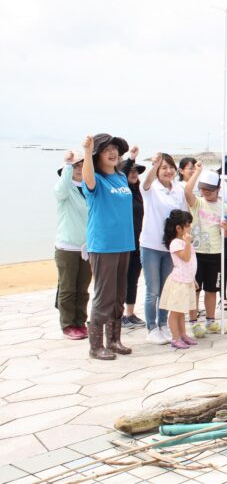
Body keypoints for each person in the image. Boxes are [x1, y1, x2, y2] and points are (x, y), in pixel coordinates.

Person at [80, 133, 134, 360]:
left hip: (125, 244)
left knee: (119, 294)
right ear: (96, 155)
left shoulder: (121, 177)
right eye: (106, 150)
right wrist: (86, 151)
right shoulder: (95, 180)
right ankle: (95, 346)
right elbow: (88, 179)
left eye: (115, 149)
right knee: (104, 296)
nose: (113, 153)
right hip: (103, 246)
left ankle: (114, 340)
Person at [141, 153, 187, 345]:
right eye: (163, 167)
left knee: (167, 289)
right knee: (153, 290)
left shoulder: (178, 189)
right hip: (151, 245)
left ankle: (163, 324)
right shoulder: (151, 189)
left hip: (171, 248)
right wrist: (155, 165)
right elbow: (145, 182)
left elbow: (184, 217)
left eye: (170, 167)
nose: (168, 171)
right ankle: (151, 328)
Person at [54, 149, 91, 340]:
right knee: (68, 288)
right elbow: (59, 191)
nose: (79, 168)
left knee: (83, 289)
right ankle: (67, 324)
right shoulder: (65, 190)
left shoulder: (88, 189)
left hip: (86, 247)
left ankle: (80, 322)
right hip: (67, 247)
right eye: (76, 166)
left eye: (81, 165)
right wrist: (68, 164)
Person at [184, 162, 224, 337]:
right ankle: (193, 322)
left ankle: (210, 320)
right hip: (197, 253)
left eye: (210, 190)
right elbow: (187, 192)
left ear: (218, 189)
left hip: (216, 253)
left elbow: (226, 232)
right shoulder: (198, 202)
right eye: (203, 189)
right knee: (195, 289)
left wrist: (226, 228)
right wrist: (197, 172)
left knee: (212, 289)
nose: (206, 193)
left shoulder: (223, 206)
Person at [159, 210, 198, 349]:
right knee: (175, 311)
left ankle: (183, 335)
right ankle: (175, 337)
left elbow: (190, 263)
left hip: (187, 280)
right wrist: (188, 243)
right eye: (187, 225)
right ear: (179, 228)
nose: (190, 227)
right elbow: (185, 258)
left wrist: (193, 278)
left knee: (182, 310)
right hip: (178, 282)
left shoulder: (184, 241)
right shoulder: (176, 243)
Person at [119, 147, 146, 329]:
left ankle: (130, 313)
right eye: (131, 171)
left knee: (133, 279)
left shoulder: (140, 193)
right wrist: (130, 159)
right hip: (122, 243)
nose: (134, 174)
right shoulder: (121, 193)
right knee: (120, 279)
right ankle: (118, 314)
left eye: (136, 171)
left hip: (138, 242)